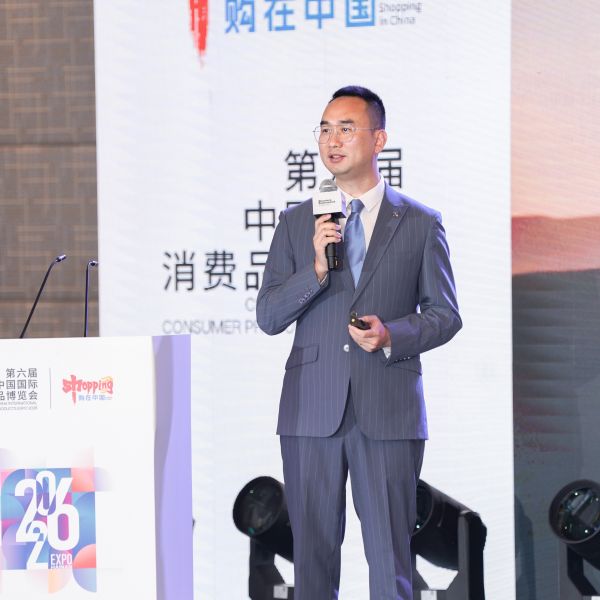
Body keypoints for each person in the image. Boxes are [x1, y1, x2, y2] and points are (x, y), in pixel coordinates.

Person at [256, 85, 462, 600]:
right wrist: (315, 269)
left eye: (346, 129)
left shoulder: (419, 222)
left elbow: (445, 315)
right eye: (325, 129)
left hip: (388, 408)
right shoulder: (297, 221)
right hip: (310, 410)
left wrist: (392, 334)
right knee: (312, 559)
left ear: (379, 139)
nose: (332, 140)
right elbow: (268, 315)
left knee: (391, 560)